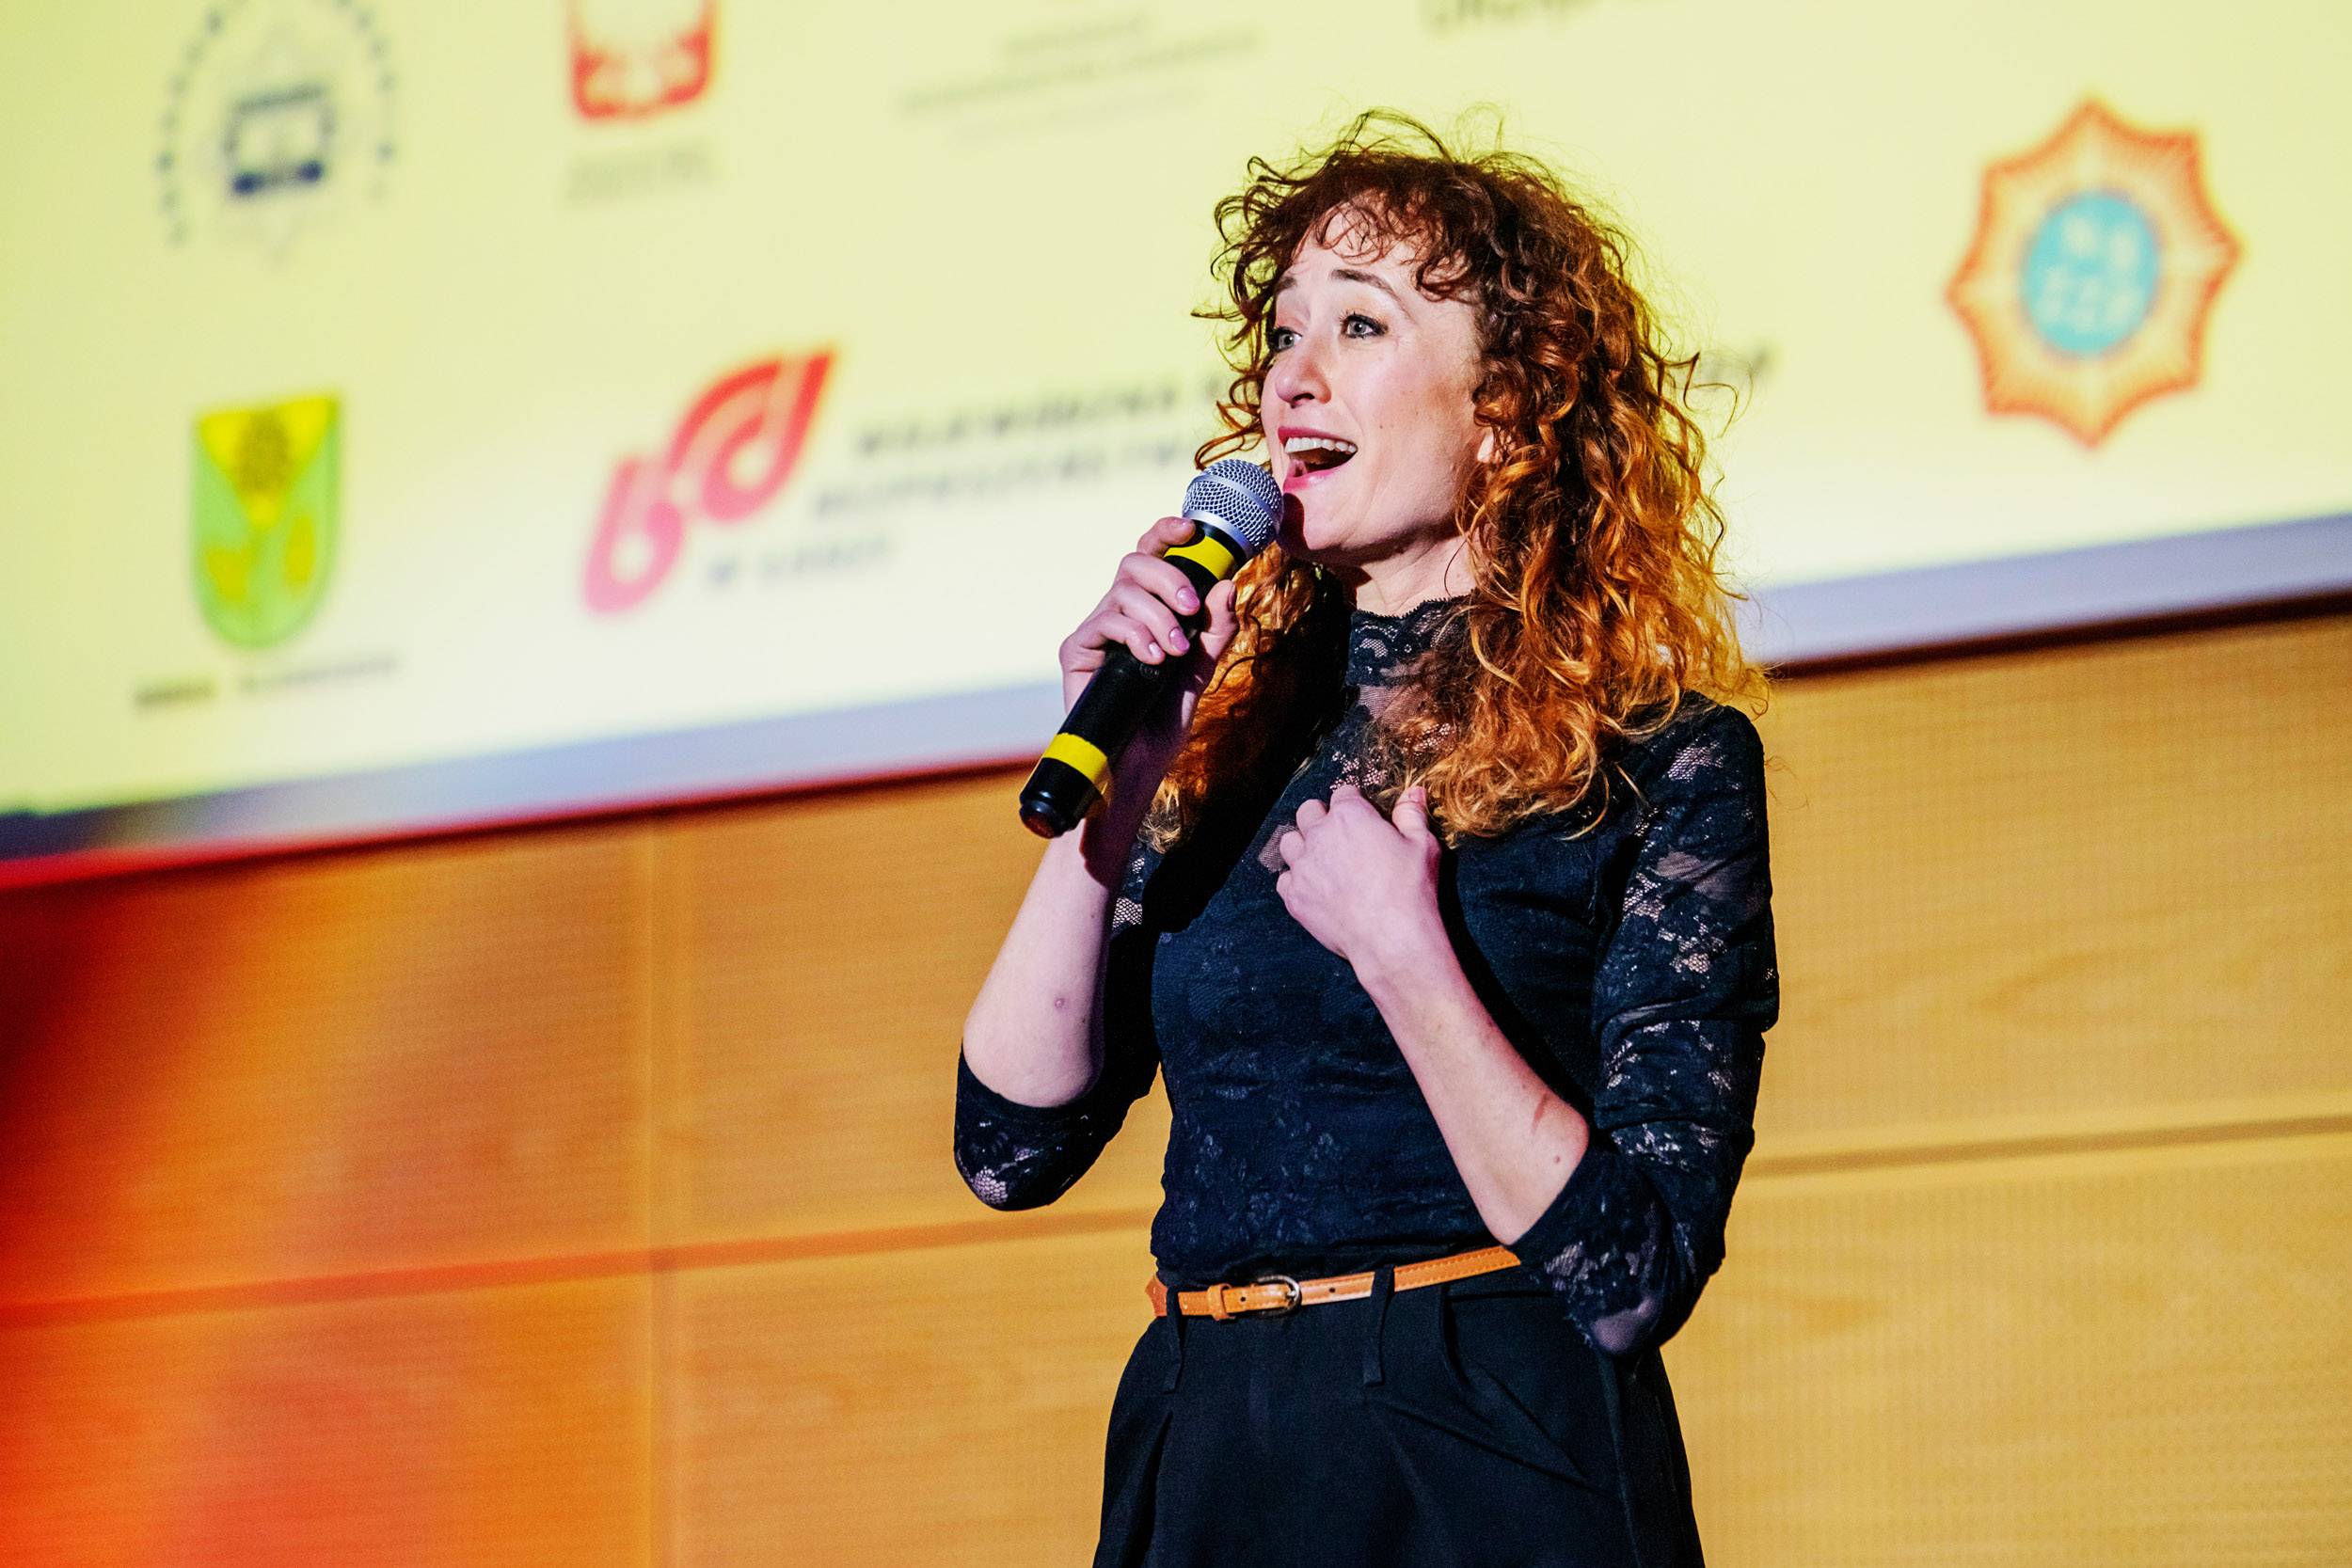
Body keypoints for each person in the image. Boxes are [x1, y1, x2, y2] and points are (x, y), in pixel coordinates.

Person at [955, 108, 1778, 1568]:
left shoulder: (1660, 762)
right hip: (1209, 1434)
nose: (1294, 375)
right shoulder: (1223, 747)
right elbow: (1007, 1148)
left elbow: (1630, 1276)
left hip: (1483, 1451)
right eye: (1283, 333)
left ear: (1507, 410)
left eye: (1359, 324)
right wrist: (1119, 788)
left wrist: (1407, 953)